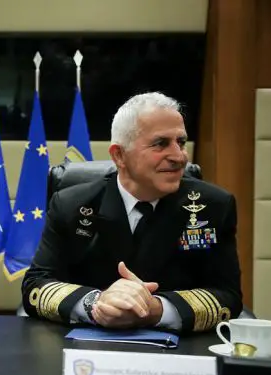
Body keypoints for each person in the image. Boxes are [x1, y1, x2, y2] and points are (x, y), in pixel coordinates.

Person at [22, 92, 242, 333]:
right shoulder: (71, 204)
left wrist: (156, 309)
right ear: (119, 155)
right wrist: (97, 303)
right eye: (161, 144)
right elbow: (36, 285)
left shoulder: (213, 206)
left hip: (179, 352)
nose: (179, 156)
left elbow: (228, 295)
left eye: (180, 142)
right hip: (87, 348)